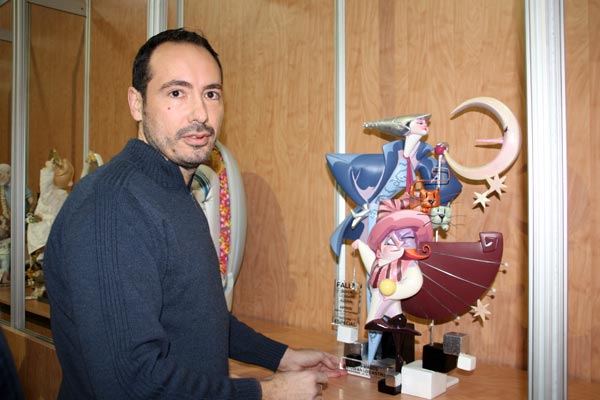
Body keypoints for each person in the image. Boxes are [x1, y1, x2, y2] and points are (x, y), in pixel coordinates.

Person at [44, 28, 344, 399]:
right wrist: (268, 393)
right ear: (137, 104)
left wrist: (281, 357)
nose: (200, 113)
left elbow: (197, 316)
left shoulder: (173, 193)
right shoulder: (113, 205)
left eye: (211, 94)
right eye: (176, 92)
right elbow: (129, 382)